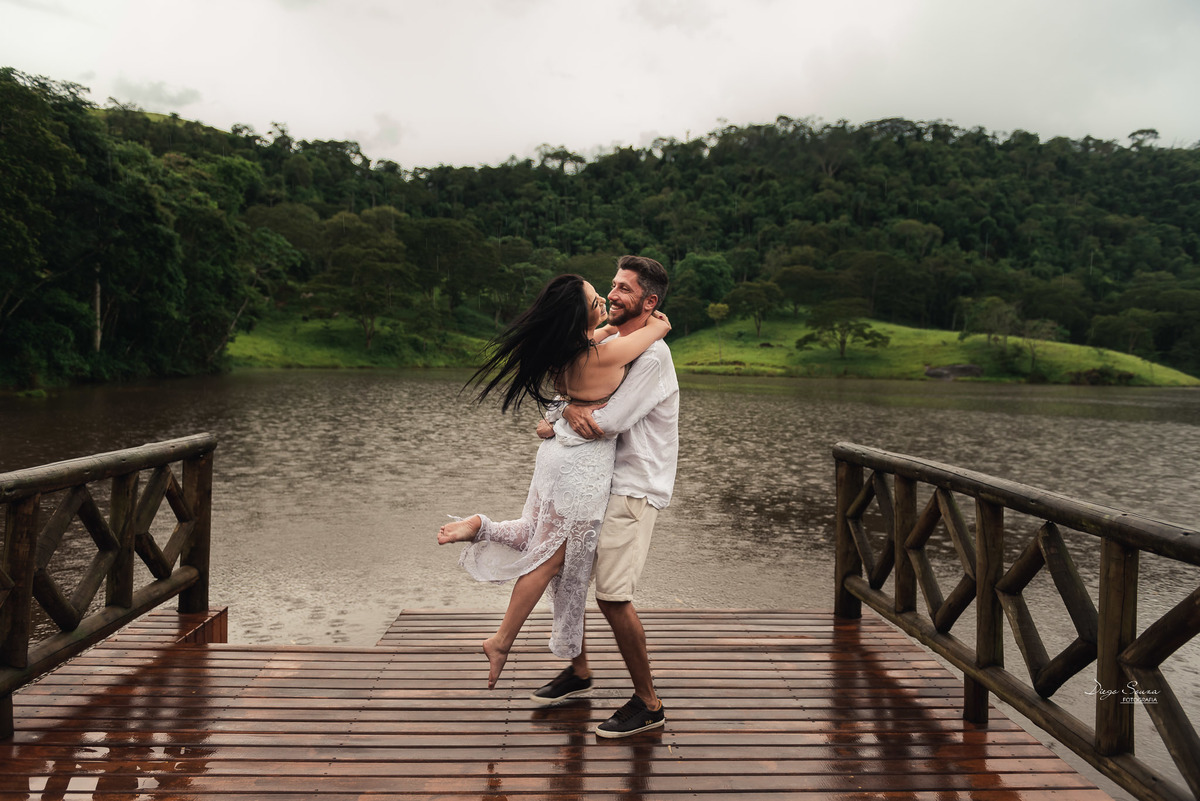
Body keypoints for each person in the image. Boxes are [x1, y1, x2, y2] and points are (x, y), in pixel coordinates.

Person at [437, 272, 671, 693]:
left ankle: (484, 528)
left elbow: (601, 347)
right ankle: (502, 640)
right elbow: (610, 418)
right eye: (600, 296)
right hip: (581, 466)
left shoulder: (578, 348)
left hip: (559, 460)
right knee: (552, 560)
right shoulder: (603, 353)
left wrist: (559, 414)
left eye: (617, 290)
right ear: (580, 316)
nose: (608, 298)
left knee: (551, 551)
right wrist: (661, 322)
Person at [531, 255, 679, 739]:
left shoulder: (653, 357)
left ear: (649, 301)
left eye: (623, 289)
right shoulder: (614, 339)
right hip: (600, 480)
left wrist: (569, 409)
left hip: (634, 488)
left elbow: (606, 422)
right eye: (611, 286)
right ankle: (579, 671)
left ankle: (648, 702)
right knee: (561, 570)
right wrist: (565, 407)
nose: (613, 295)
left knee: (613, 595)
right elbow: (573, 386)